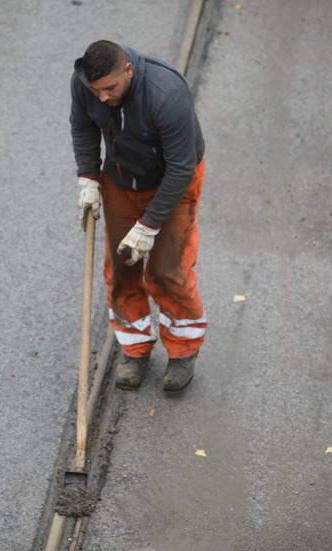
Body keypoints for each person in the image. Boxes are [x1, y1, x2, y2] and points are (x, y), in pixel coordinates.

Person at [70, 40, 207, 393]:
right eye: (95, 90)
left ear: (128, 71)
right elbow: (83, 124)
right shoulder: (86, 83)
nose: (102, 97)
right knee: (122, 267)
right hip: (119, 179)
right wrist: (87, 177)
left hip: (172, 182)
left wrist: (149, 226)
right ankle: (134, 347)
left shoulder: (167, 93)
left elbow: (181, 168)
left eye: (110, 89)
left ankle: (183, 350)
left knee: (167, 271)